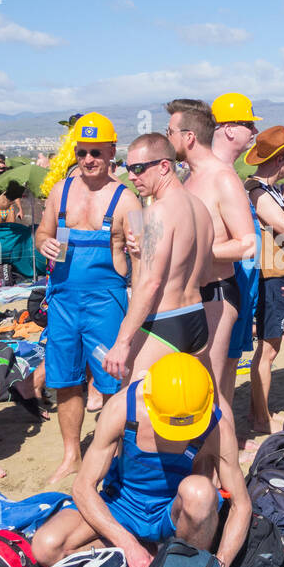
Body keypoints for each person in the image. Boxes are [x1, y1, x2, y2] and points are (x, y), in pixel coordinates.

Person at [28, 353, 251, 567]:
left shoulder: (217, 427)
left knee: (200, 492)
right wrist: (129, 545)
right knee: (46, 548)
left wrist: (221, 565)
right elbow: (83, 487)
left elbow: (241, 505)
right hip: (123, 504)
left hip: (174, 512)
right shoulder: (123, 408)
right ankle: (148, 552)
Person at [34, 113, 135, 484]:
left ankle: (109, 455)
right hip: (62, 299)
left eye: (96, 152)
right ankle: (71, 456)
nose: (89, 159)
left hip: (106, 301)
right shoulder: (61, 191)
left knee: (113, 383)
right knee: (64, 380)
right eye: (82, 152)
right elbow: (43, 231)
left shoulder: (127, 199)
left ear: (112, 151)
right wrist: (42, 240)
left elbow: (146, 257)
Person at [166, 99, 252, 434]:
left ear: (188, 136)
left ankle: (220, 473)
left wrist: (198, 250)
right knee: (191, 387)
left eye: (170, 131)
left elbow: (246, 243)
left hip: (216, 293)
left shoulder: (222, 179)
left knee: (212, 392)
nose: (166, 137)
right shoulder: (188, 178)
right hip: (187, 296)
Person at [102, 133, 213, 383]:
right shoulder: (200, 208)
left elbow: (149, 283)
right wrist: (140, 252)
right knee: (200, 405)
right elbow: (205, 276)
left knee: (125, 407)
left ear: (164, 166)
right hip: (196, 318)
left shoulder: (156, 213)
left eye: (138, 168)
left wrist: (122, 342)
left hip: (164, 322)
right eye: (128, 168)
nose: (131, 176)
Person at [243, 126, 284, 440]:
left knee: (270, 349)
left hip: (276, 273)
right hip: (270, 278)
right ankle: (260, 417)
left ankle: (259, 411)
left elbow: (283, 235)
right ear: (279, 159)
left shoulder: (267, 190)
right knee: (268, 351)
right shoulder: (257, 189)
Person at [210, 93, 264, 427]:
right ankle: (213, 443)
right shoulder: (210, 174)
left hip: (242, 280)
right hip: (218, 286)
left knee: (231, 361)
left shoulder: (228, 172)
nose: (254, 133)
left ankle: (226, 438)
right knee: (215, 366)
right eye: (248, 125)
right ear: (229, 129)